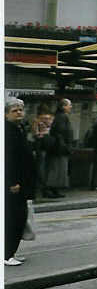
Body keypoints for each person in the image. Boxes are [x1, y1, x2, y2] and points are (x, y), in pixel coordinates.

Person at [6, 97, 36, 266]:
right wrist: (11, 182)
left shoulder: (18, 128)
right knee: (13, 219)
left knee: (18, 218)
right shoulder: (7, 131)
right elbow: (7, 160)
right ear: (5, 114)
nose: (18, 112)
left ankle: (10, 252)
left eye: (20, 110)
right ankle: (6, 254)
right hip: (14, 185)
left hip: (21, 183)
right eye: (14, 110)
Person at [47, 98, 73, 198]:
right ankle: (51, 189)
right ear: (63, 106)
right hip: (59, 148)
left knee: (58, 169)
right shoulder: (62, 117)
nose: (70, 107)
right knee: (57, 169)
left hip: (59, 147)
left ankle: (55, 189)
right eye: (69, 105)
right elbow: (60, 132)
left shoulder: (60, 116)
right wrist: (65, 146)